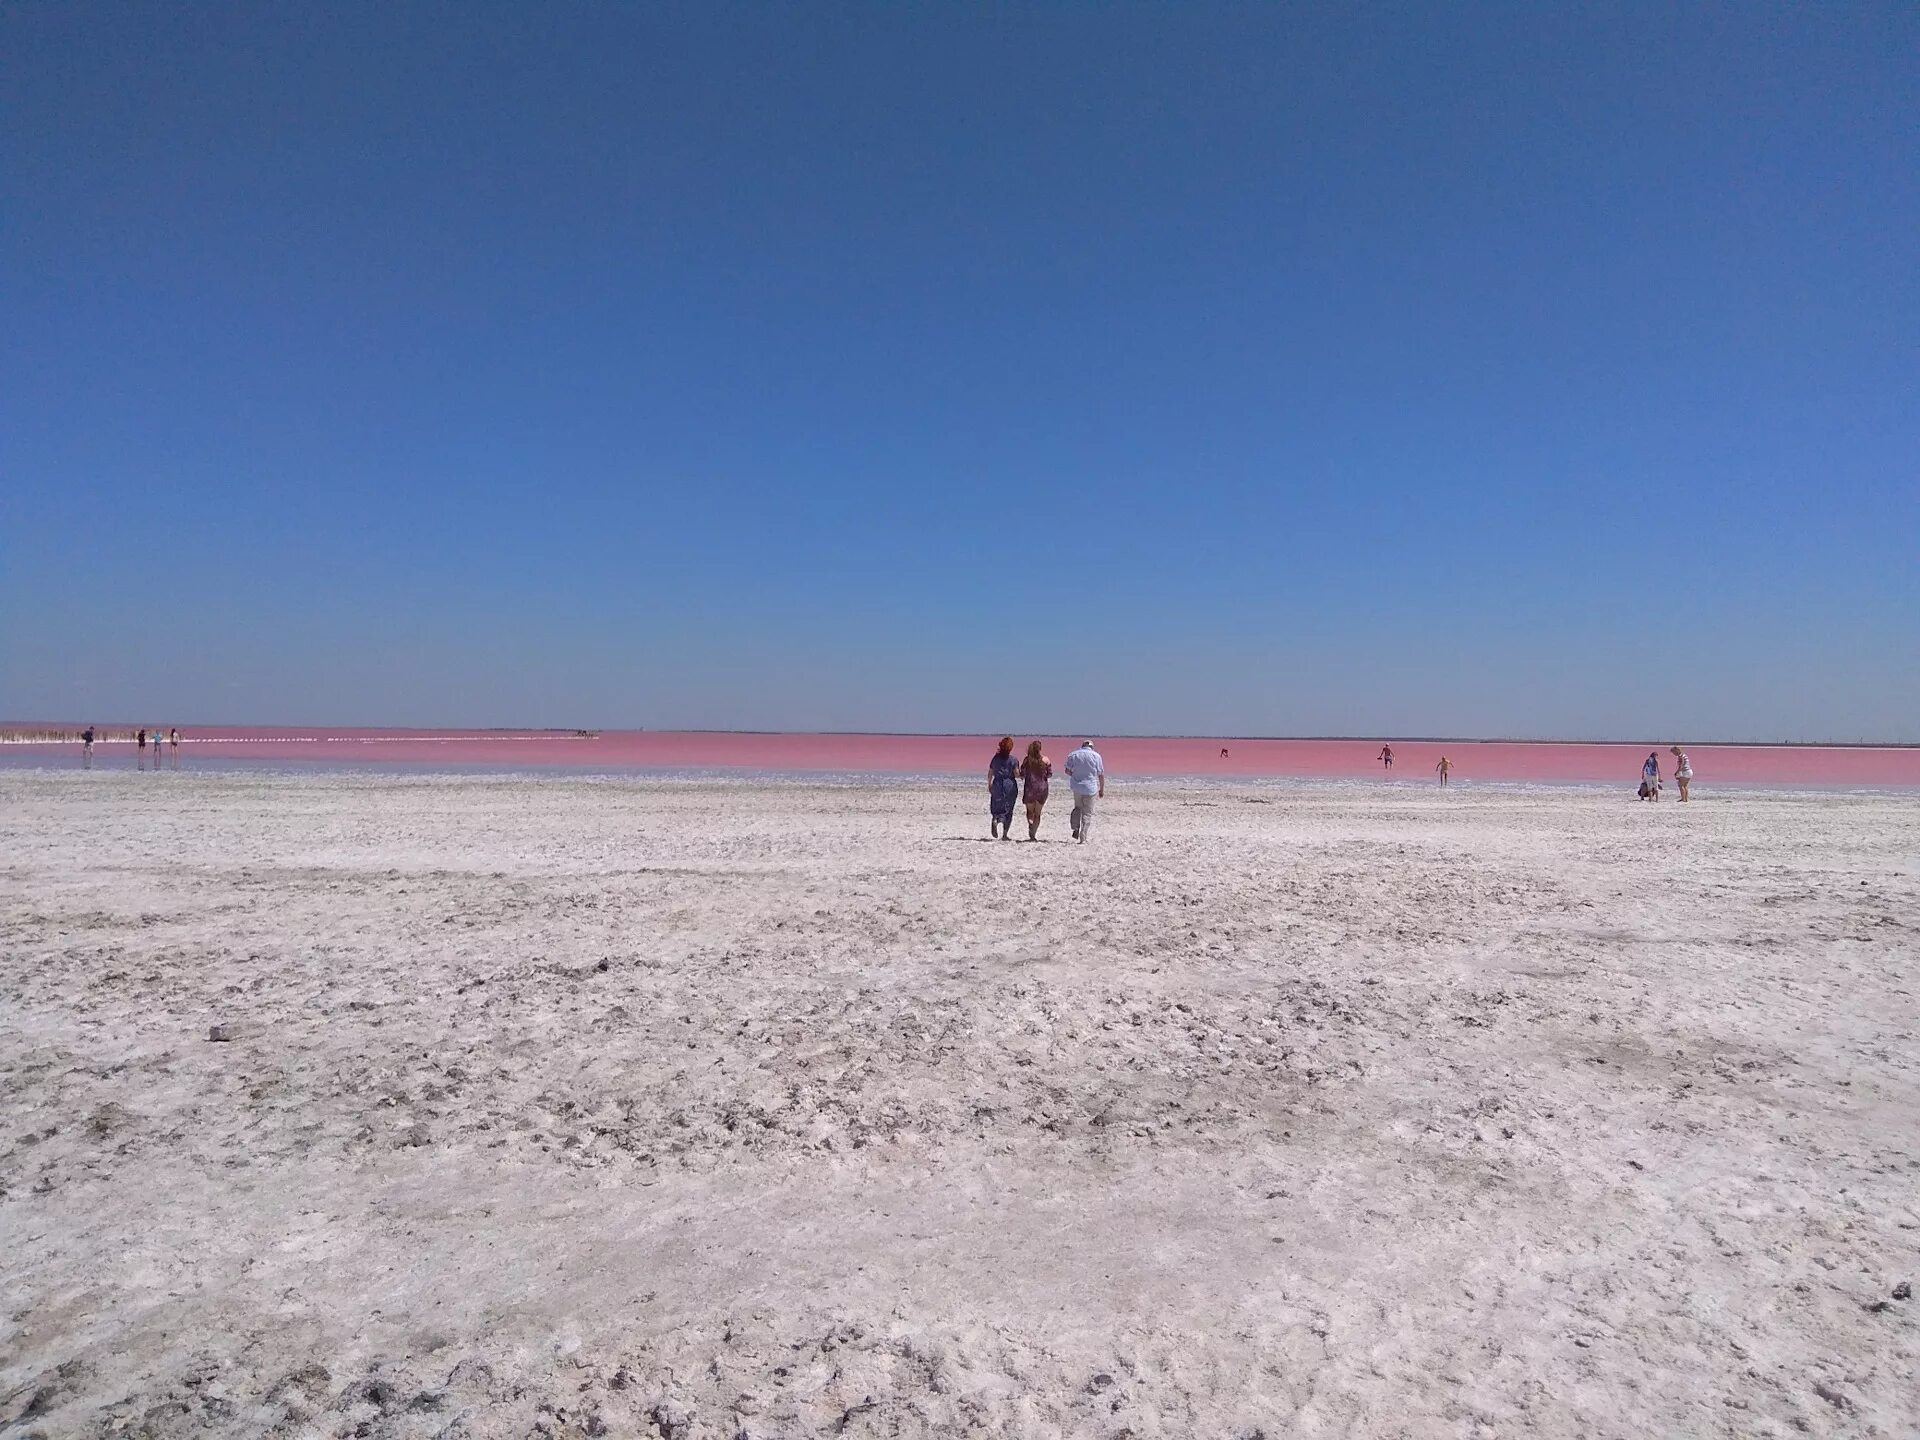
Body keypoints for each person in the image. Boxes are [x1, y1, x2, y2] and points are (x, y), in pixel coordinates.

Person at [1064, 740, 1105, 842]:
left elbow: (1067, 770)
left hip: (1077, 786)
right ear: (1092, 747)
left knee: (1077, 808)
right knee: (1087, 812)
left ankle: (1075, 827)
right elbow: (1100, 774)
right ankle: (1083, 836)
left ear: (1082, 746)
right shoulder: (1096, 756)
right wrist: (1102, 789)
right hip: (1091, 787)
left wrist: (1075, 775)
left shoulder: (1073, 755)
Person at [987, 737, 1020, 839]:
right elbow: (1017, 774)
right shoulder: (1013, 760)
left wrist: (989, 784)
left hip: (997, 782)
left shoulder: (995, 758)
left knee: (996, 804)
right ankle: (1005, 834)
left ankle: (996, 819)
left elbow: (990, 772)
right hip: (1009, 784)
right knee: (1009, 808)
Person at [1018, 740, 1052, 840]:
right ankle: (1033, 833)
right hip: (1042, 788)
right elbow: (1049, 774)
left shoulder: (1027, 760)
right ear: (1040, 749)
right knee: (1038, 813)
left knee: (1029, 811)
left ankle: (1030, 824)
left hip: (1030, 788)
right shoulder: (1046, 760)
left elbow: (1022, 774)